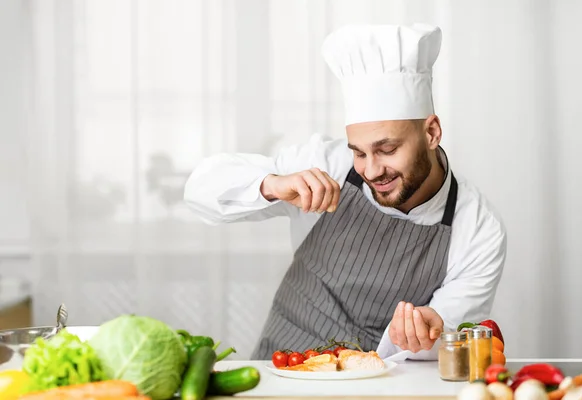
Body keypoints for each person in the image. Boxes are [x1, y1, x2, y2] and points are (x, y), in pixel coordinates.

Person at [183, 23, 507, 361]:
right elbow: (200, 192)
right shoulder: (326, 164)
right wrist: (272, 184)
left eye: (387, 149)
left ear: (431, 132)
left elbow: (455, 331)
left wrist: (434, 330)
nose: (371, 170)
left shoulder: (478, 227)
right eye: (360, 152)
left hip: (385, 382)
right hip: (284, 369)